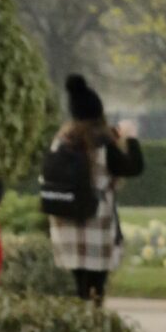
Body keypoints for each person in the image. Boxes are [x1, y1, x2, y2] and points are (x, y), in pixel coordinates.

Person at [43, 75, 142, 304]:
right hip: (96, 223)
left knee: (79, 285)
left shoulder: (60, 142)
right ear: (98, 114)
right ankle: (93, 321)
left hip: (65, 222)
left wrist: (114, 132)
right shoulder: (103, 144)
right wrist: (131, 138)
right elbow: (133, 167)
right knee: (96, 287)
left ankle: (79, 318)